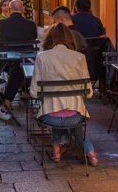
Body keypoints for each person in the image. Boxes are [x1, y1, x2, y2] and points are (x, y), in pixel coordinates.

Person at [30, 23, 98, 165]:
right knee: (71, 115)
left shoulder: (42, 57)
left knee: (56, 110)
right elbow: (89, 93)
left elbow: (34, 93)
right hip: (75, 116)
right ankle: (91, 154)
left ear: (48, 39)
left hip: (50, 117)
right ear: (70, 38)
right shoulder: (79, 57)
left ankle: (57, 151)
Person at [0, 0, 37, 121]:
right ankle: (6, 104)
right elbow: (34, 37)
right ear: (23, 10)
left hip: (6, 62)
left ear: (9, 10)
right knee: (17, 67)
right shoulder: (31, 24)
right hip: (27, 61)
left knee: (16, 68)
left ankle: (3, 105)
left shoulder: (1, 23)